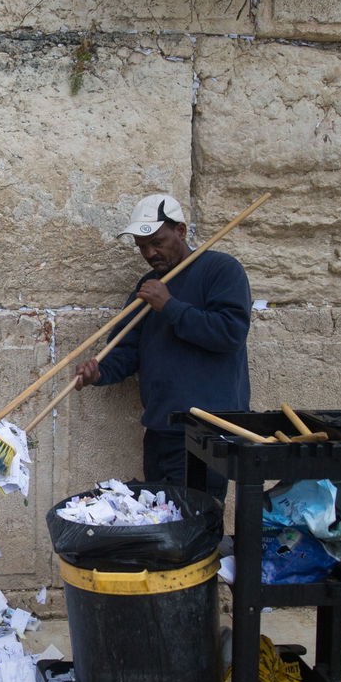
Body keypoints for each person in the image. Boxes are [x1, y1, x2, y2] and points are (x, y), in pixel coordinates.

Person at [74, 194, 251, 500]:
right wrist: (99, 373)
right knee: (159, 517)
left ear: (180, 231)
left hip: (206, 431)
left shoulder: (221, 269)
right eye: (142, 246)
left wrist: (169, 306)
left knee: (197, 519)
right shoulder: (148, 286)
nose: (150, 253)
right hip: (161, 429)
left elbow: (229, 333)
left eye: (157, 242)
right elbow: (127, 349)